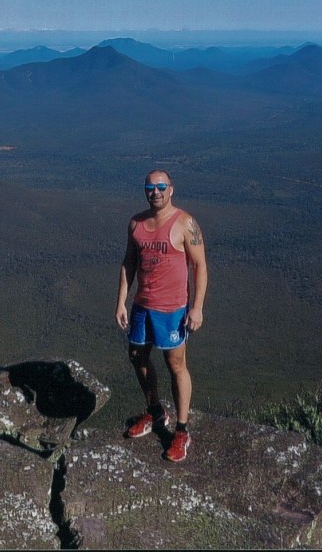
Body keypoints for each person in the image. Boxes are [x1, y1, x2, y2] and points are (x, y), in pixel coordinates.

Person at [115, 169, 208, 462]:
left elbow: (200, 266)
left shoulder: (185, 223)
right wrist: (121, 302)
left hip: (173, 309)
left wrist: (197, 307)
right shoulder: (136, 224)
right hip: (142, 305)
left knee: (175, 364)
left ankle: (181, 430)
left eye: (161, 186)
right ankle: (155, 411)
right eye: (150, 187)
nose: (155, 191)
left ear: (171, 190)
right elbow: (129, 263)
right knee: (137, 356)